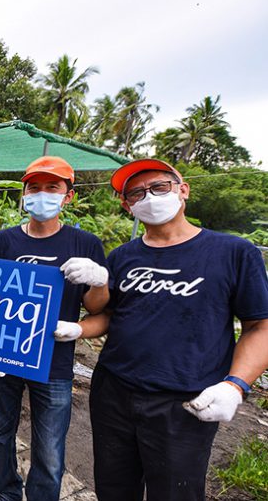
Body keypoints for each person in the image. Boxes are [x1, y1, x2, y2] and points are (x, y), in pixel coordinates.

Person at [83, 158, 268, 501]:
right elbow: (107, 313)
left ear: (183, 190)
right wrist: (77, 326)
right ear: (127, 206)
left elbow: (260, 327)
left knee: (175, 493)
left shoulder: (233, 252)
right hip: (113, 391)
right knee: (112, 488)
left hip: (185, 402)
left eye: (159, 187)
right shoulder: (123, 256)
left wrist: (236, 385)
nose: (149, 197)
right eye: (136, 193)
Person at [0, 156, 110, 501]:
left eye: (52, 187)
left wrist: (99, 281)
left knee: (50, 450)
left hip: (54, 363)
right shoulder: (3, 242)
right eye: (34, 187)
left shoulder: (86, 244)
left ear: (68, 196)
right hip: (3, 357)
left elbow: (97, 308)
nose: (42, 194)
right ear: (24, 193)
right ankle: (7, 491)